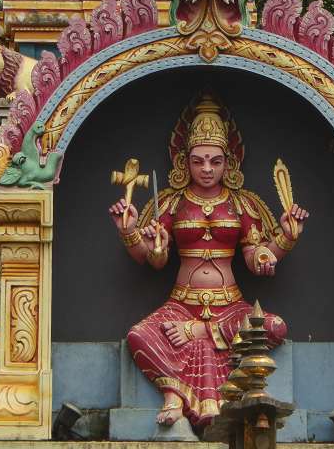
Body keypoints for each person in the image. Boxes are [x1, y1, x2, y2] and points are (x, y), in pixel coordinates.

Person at [109, 94, 309, 428]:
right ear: (184, 162)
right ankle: (173, 392)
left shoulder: (241, 204)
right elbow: (154, 259)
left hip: (229, 306)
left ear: (228, 163)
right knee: (138, 335)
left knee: (274, 326)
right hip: (181, 304)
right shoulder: (172, 204)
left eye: (215, 161)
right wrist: (130, 232)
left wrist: (285, 240)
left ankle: (204, 335)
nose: (206, 169)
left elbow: (254, 255)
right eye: (199, 161)